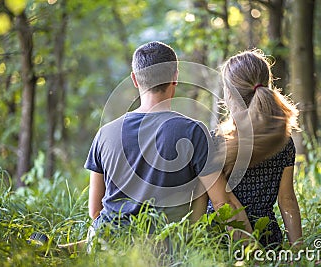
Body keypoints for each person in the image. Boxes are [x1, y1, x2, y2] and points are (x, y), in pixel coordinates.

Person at [85, 41, 252, 240]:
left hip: (107, 243)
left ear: (135, 80)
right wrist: (251, 252)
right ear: (175, 76)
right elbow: (222, 204)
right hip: (165, 247)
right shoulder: (192, 131)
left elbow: (95, 211)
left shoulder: (105, 133)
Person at [208, 49, 302, 249]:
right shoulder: (283, 141)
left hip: (222, 241)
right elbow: (287, 199)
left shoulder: (215, 141)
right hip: (268, 238)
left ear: (229, 94)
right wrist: (298, 248)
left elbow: (222, 203)